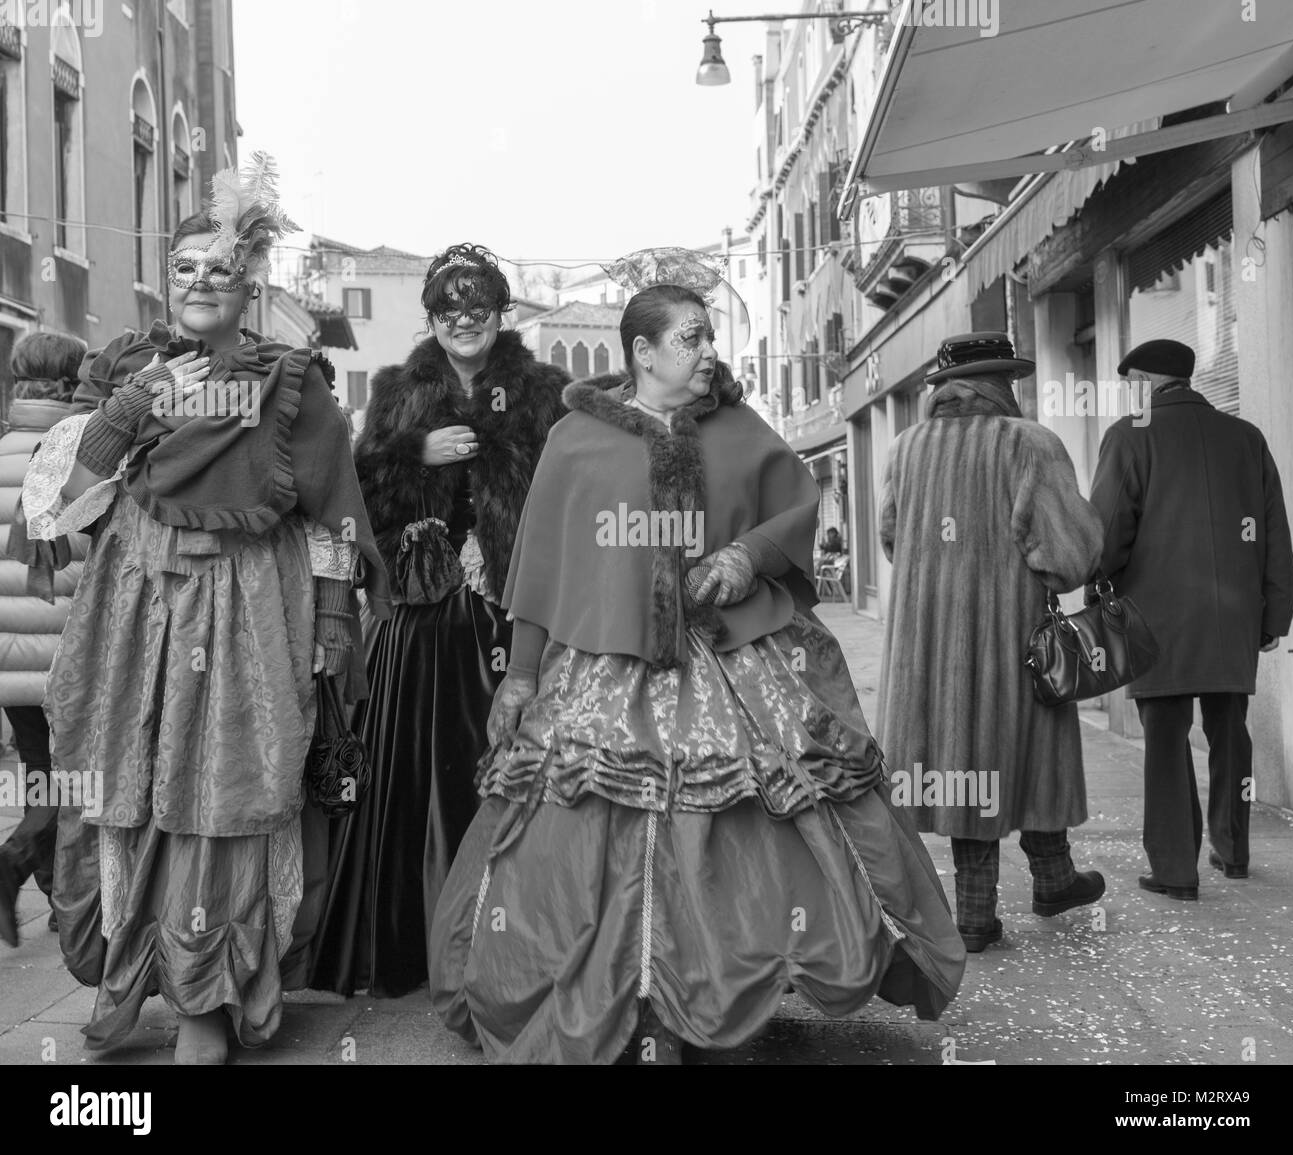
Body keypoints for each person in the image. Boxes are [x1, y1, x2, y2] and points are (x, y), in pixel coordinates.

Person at [429, 278, 966, 1064]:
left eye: (711, 336)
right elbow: (543, 569)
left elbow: (795, 509)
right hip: (603, 673)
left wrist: (749, 556)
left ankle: (720, 992)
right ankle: (639, 1006)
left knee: (747, 832)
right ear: (642, 352)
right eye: (692, 338)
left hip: (735, 666)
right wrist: (521, 674)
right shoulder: (575, 440)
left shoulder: (741, 426)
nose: (710, 352)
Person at [22, 155, 387, 1063]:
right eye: (183, 268)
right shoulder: (135, 372)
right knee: (126, 790)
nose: (197, 285)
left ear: (248, 280)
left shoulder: (291, 385)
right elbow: (72, 495)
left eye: (218, 271)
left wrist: (334, 625)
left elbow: (335, 513)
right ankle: (130, 974)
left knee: (220, 795)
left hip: (244, 610)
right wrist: (137, 403)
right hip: (133, 608)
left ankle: (206, 1001)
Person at [308, 243, 569, 999]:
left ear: (500, 312)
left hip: (513, 612)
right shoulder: (397, 393)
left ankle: (515, 942)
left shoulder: (543, 391)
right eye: (449, 309)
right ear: (431, 316)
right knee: (419, 775)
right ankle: (419, 943)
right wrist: (415, 452)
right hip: (422, 618)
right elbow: (358, 496)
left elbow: (568, 488)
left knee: (511, 769)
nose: (464, 320)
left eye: (478, 306)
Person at [877, 332, 1107, 953]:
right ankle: (1039, 885)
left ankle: (985, 910)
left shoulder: (905, 449)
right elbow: (1068, 556)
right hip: (1011, 636)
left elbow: (893, 540)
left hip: (925, 642)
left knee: (961, 759)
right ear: (1002, 383)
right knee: (1027, 749)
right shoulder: (1029, 443)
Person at [1090, 339, 1293, 900]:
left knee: (1165, 738)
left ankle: (1175, 869)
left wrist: (1095, 585)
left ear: (1151, 381)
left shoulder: (1128, 436)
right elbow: (1273, 532)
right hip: (1233, 617)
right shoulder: (1246, 438)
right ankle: (1233, 851)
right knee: (1230, 731)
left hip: (1158, 618)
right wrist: (1275, 612)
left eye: (1132, 380)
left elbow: (1108, 531)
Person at [0, 332, 87, 947]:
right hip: (71, 647)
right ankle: (16, 860)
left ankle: (59, 901)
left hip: (5, 650)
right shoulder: (87, 452)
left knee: (40, 771)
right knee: (85, 777)